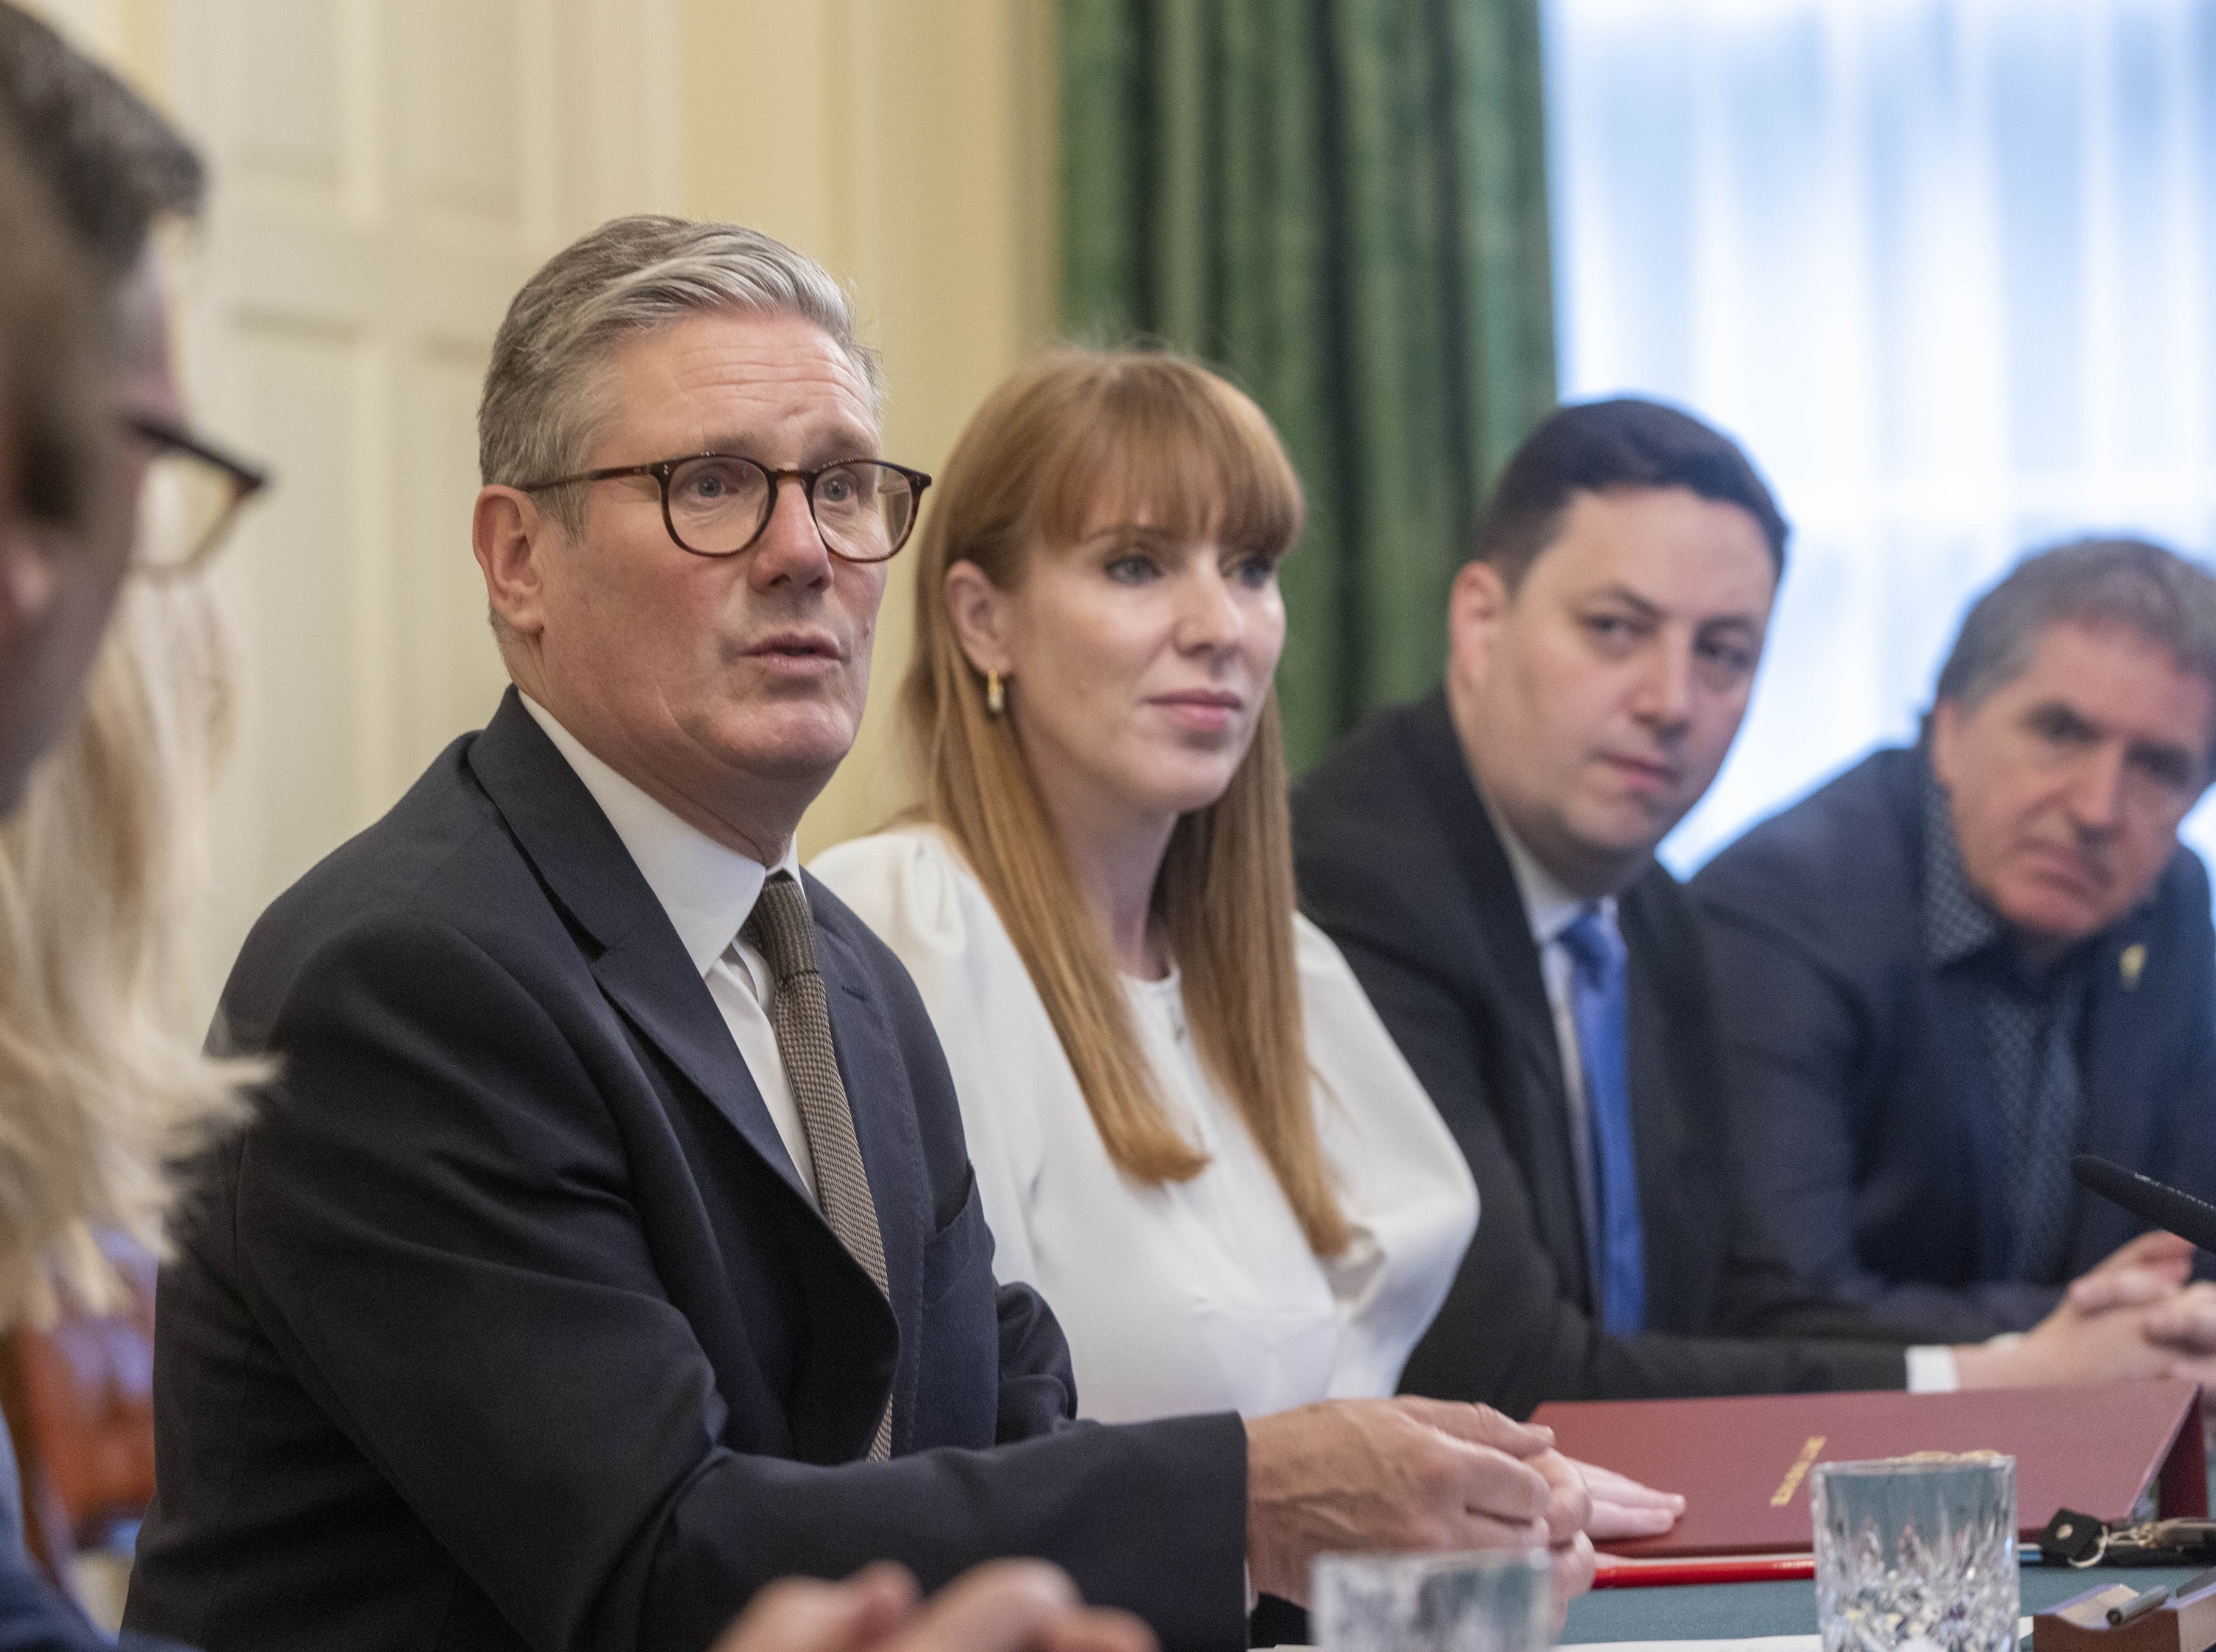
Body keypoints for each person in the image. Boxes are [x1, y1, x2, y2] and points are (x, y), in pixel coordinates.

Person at [128, 217, 1595, 1652]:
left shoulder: (848, 974)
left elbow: (1015, 1444)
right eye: (712, 484)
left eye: (842, 487)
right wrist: (1252, 1495)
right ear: (517, 559)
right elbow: (661, 1559)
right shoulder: (407, 978)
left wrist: (1386, 1550)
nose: (803, 553)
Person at [813, 348, 1672, 1567]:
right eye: (1134, 564)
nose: (1219, 626)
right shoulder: (899, 931)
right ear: (980, 616)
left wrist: (1482, 1505)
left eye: (1252, 568)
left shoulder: (1285, 973)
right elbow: (926, 1473)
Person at [1292, 397, 2216, 1416]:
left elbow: (1703, 1296)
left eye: (1725, 653)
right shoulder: (1362, 883)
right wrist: (2009, 1367)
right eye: (1614, 629)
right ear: (1480, 621)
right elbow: (1517, 1376)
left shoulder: (1642, 907)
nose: (1672, 699)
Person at [1695, 538, 2216, 1340]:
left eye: (2157, 767)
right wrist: (2099, 1335)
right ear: (1949, 724)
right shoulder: (1781, 910)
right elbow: (1779, 1307)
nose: (2097, 809)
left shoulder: (2171, 899)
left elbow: (2193, 1237)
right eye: (2061, 731)